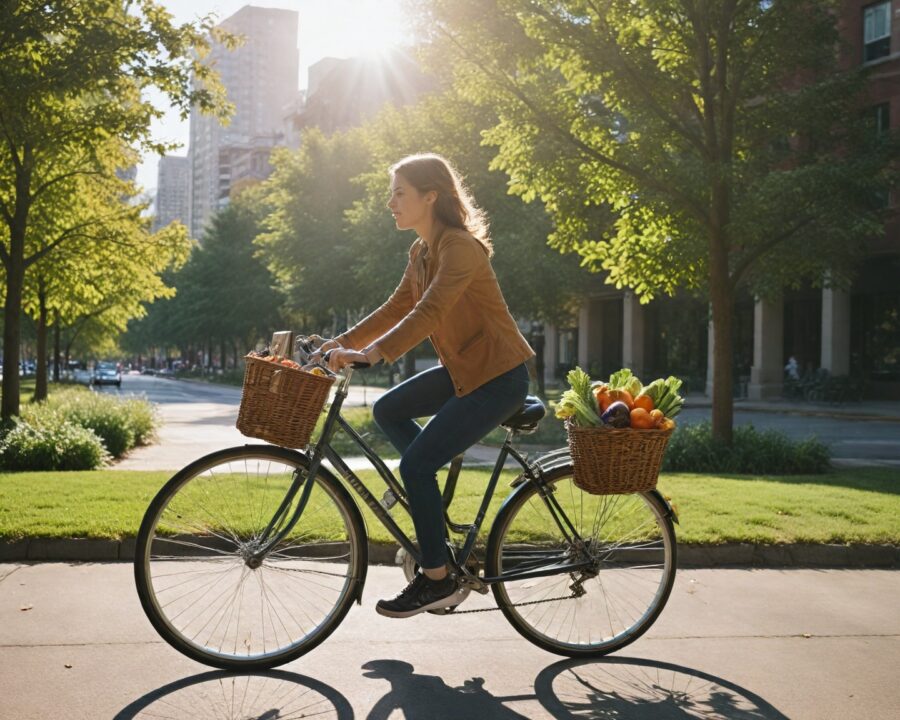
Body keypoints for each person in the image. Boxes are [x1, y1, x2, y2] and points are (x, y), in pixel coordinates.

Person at [321, 153, 534, 618]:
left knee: (416, 465)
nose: (390, 202)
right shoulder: (421, 252)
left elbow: (430, 312)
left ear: (430, 196)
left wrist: (373, 353)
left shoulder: (459, 248)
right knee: (388, 411)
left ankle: (437, 580)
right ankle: (428, 506)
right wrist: (336, 344)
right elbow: (394, 308)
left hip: (498, 378)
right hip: (466, 371)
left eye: (399, 193)